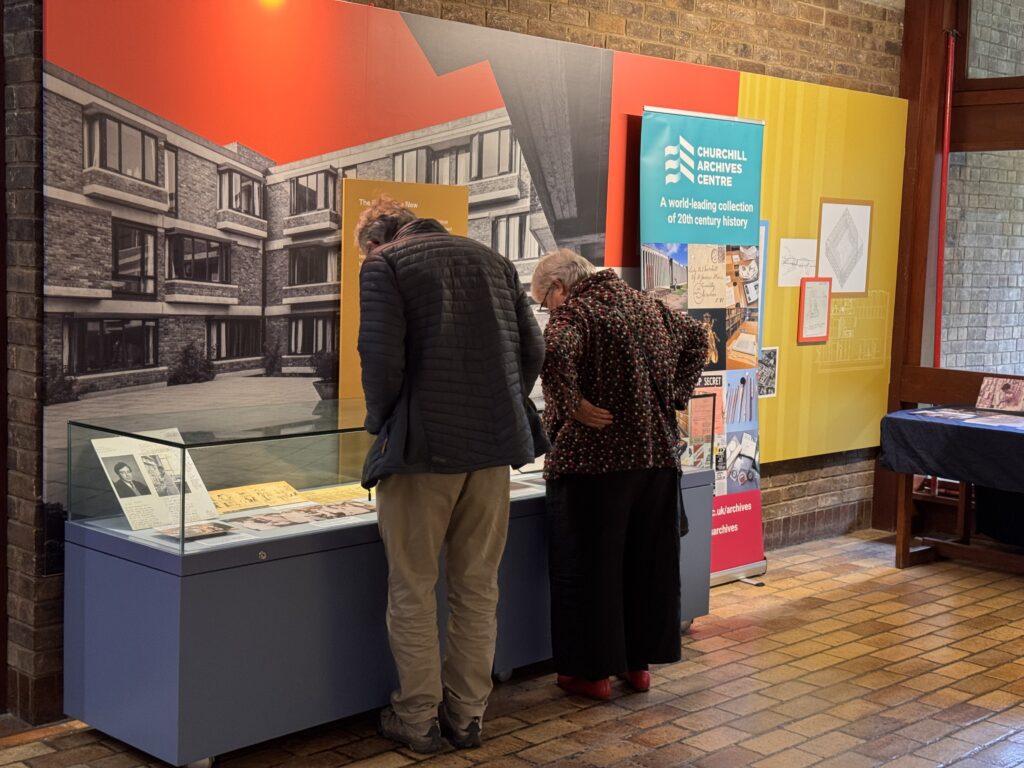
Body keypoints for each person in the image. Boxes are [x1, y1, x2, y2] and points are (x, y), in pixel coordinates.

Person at [356, 195, 546, 753]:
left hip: (421, 451)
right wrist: (502, 403)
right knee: (477, 586)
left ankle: (416, 721)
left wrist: (383, 420)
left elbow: (381, 360)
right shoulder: (495, 261)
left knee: (413, 587)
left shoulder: (384, 265)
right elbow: (532, 351)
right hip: (491, 452)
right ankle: (467, 717)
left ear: (375, 239)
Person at [531, 249, 707, 700]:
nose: (546, 310)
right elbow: (697, 339)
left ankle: (590, 674)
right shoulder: (646, 303)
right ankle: (637, 665)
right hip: (657, 459)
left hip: (596, 463)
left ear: (559, 287)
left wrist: (571, 405)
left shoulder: (577, 311)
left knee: (589, 568)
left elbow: (551, 353)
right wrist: (673, 397)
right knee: (644, 565)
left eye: (542, 301)